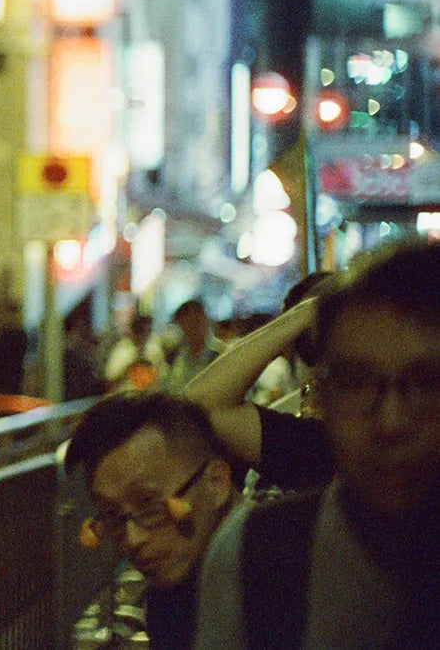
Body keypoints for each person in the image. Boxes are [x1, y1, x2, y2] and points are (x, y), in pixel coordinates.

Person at [193, 238, 440, 649]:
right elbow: (202, 405)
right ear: (319, 395)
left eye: (426, 382)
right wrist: (313, 309)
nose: (391, 421)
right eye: (357, 382)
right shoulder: (261, 555)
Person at [65, 392, 241, 650]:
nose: (133, 540)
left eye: (149, 505)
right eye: (112, 516)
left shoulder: (282, 572)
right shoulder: (167, 598)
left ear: (216, 482)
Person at [184, 274, 335, 495]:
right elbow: (200, 403)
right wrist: (313, 308)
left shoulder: (347, 444)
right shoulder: (313, 439)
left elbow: (202, 402)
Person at [159, 298, 220, 393]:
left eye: (197, 320)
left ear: (206, 320)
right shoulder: (177, 355)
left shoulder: (221, 353)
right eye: (187, 322)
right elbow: (169, 387)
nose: (193, 326)